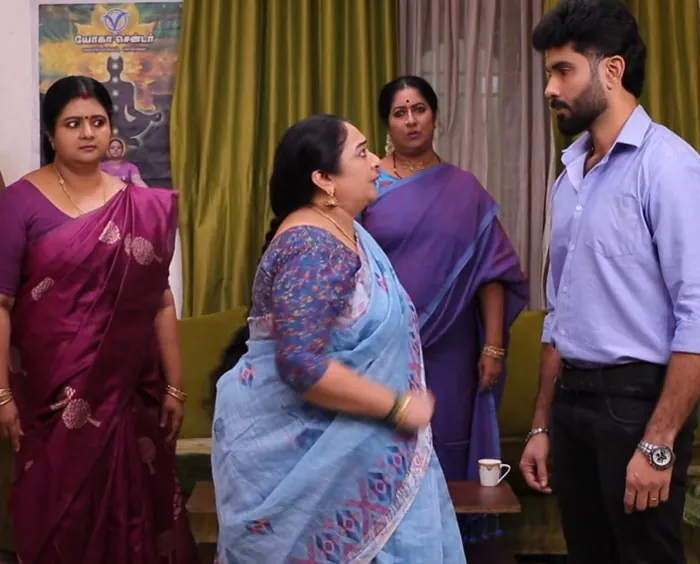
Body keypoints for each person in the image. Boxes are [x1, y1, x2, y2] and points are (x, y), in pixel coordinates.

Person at [519, 2, 700, 563]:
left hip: (637, 406)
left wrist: (658, 443)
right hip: (571, 406)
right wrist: (541, 425)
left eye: (563, 71)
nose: (550, 88)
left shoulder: (670, 168)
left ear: (611, 70)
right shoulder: (570, 173)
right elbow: (560, 314)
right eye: (549, 73)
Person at [210, 114, 466, 564]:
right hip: (309, 462)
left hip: (354, 453)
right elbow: (300, 364)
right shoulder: (313, 246)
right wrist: (397, 406)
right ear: (324, 179)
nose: (377, 162)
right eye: (362, 153)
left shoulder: (343, 231)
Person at [0, 76, 199, 563]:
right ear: (51, 134)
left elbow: (160, 301)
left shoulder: (139, 204)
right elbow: (1, 305)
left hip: (131, 392)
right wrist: (2, 394)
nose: (88, 133)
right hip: (50, 398)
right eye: (73, 124)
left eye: (97, 121)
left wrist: (175, 387)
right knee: (60, 518)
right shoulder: (19, 203)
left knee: (137, 513)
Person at [360, 75, 529, 542]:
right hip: (383, 349)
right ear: (387, 123)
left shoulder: (464, 190)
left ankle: (447, 543)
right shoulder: (367, 186)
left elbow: (491, 273)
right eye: (399, 112)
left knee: (446, 441)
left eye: (420, 109)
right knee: (386, 447)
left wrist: (493, 348)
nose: (411, 121)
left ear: (435, 116)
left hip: (451, 349)